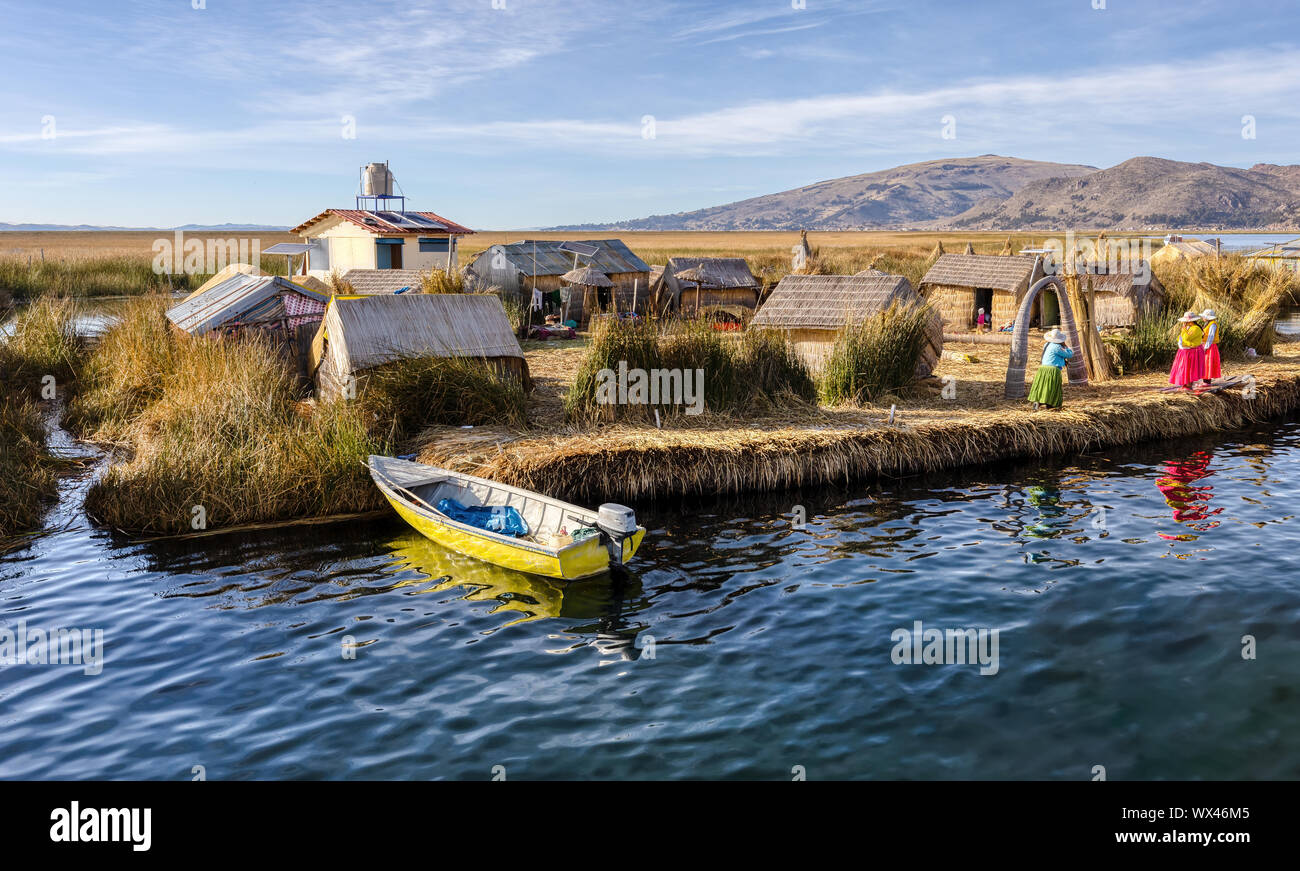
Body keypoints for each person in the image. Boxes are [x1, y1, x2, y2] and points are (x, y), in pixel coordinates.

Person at [1028, 327, 1074, 410]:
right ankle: (1051, 404)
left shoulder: (1047, 344)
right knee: (1051, 387)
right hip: (1052, 370)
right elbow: (1069, 354)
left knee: (1041, 386)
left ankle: (1037, 402)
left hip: (1042, 369)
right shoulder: (1057, 347)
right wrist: (1065, 346)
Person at [1168, 311, 1205, 390]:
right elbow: (1179, 338)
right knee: (1184, 368)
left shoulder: (1196, 328)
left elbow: (1186, 338)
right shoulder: (1188, 328)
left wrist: (1184, 330)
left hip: (1192, 351)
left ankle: (1188, 386)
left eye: (1185, 321)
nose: (1183, 322)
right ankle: (1184, 385)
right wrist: (1184, 331)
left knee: (1190, 369)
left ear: (1190, 321)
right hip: (1186, 350)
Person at [1199, 309, 1220, 386]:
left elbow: (1210, 337)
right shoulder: (1208, 324)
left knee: (1208, 363)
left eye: (1204, 317)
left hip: (1210, 346)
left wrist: (1206, 347)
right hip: (1205, 345)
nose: (1202, 318)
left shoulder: (1212, 324)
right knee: (1204, 363)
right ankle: (1205, 380)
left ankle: (1207, 382)